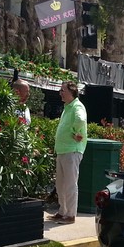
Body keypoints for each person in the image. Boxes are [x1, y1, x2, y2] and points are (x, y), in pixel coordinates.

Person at [48, 81, 88, 225]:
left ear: (72, 92)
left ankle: (70, 215)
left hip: (72, 150)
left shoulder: (77, 106)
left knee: (70, 183)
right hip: (63, 150)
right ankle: (62, 211)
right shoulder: (68, 107)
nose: (60, 93)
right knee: (60, 183)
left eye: (63, 90)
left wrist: (75, 132)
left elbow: (80, 119)